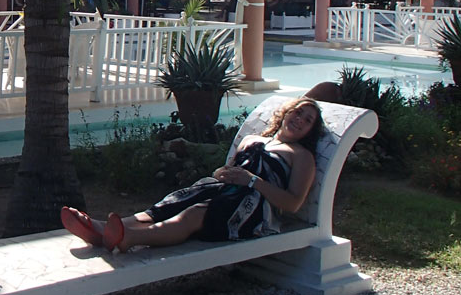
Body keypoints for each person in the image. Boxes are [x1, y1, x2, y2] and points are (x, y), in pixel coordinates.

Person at [61, 98, 323, 251]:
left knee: (194, 214)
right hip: (222, 192)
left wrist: (252, 181)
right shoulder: (252, 139)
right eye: (298, 112)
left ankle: (127, 238)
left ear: (310, 131)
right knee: (169, 205)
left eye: (308, 120)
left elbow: (293, 203)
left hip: (255, 210)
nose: (300, 119)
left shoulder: (301, 156)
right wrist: (222, 173)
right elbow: (226, 169)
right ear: (287, 112)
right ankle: (100, 229)